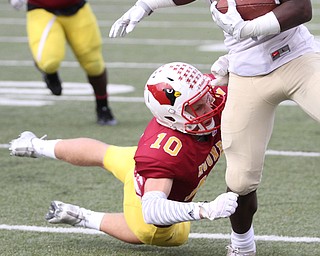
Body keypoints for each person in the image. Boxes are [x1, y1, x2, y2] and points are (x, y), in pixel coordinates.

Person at [108, 0, 320, 255]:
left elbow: (301, 8)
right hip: (246, 72)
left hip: (297, 58)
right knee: (240, 179)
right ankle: (242, 245)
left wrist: (249, 29)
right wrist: (147, 5)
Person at [9, 62, 238, 247]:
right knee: (161, 234)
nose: (210, 108)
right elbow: (153, 211)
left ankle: (33, 146)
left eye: (206, 97)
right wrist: (205, 209)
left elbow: (236, 80)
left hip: (137, 162)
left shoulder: (203, 92)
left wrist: (235, 64)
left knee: (105, 153)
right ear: (172, 115)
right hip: (155, 191)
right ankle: (83, 217)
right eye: (198, 107)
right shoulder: (164, 154)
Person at [9, 0, 117, 126]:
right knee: (48, 61)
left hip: (78, 8)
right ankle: (50, 74)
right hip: (42, 8)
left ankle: (102, 106)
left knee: (93, 64)